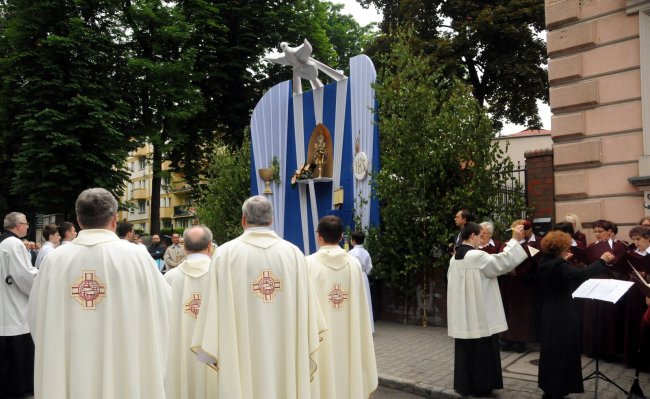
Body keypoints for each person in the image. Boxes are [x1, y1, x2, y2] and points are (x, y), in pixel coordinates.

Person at [27, 188, 171, 398]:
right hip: (124, 366)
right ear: (114, 219)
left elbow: (35, 316)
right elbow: (163, 307)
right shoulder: (136, 257)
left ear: (79, 220)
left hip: (69, 367)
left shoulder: (55, 261)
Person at [192, 195, 324, 399]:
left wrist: (213, 345)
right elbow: (308, 310)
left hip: (240, 354)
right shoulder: (294, 254)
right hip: (286, 350)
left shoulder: (226, 254)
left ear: (243, 219)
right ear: (271, 220)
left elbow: (213, 308)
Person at [447, 222, 528, 397]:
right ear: (472, 236)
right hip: (480, 313)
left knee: (465, 349)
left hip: (464, 314)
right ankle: (481, 386)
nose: (482, 240)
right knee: (482, 349)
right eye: (480, 236)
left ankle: (465, 385)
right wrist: (514, 240)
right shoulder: (476, 256)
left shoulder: (454, 259)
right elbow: (502, 263)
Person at [537, 231, 615, 399]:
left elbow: (561, 272)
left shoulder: (545, 261)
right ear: (560, 248)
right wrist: (602, 261)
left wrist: (563, 260)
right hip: (563, 312)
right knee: (563, 350)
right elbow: (582, 275)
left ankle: (551, 388)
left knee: (551, 350)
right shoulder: (560, 265)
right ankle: (558, 389)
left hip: (549, 310)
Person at [307, 217, 378, 399]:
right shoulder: (354, 265)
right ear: (341, 237)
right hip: (350, 338)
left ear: (318, 236)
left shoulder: (307, 265)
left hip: (320, 342)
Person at [164, 225, 217, 399]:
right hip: (214, 357)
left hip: (179, 357)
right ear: (210, 246)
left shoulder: (169, 278)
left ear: (184, 248)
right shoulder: (222, 274)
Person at [0, 212, 38, 398]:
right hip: (14, 308)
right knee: (16, 358)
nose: (28, 226)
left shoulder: (3, 242)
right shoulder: (14, 244)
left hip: (5, 304)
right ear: (18, 225)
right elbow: (24, 276)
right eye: (26, 223)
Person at [498, 219, 539, 353]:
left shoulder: (532, 245)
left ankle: (519, 340)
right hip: (508, 283)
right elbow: (500, 258)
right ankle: (506, 338)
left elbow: (535, 263)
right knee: (508, 311)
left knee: (521, 313)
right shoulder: (506, 244)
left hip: (523, 284)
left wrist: (520, 271)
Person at [349, 230, 375, 333]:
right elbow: (369, 266)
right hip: (363, 276)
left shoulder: (350, 253)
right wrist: (365, 273)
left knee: (355, 300)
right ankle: (369, 328)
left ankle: (357, 327)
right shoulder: (366, 252)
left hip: (354, 276)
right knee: (366, 300)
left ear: (353, 241)